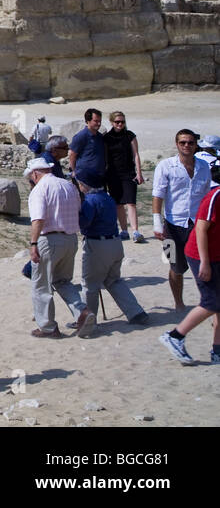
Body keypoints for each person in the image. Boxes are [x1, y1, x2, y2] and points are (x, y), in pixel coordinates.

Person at [73, 170, 148, 336]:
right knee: (113, 280)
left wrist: (78, 211)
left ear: (85, 185)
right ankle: (136, 312)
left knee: (90, 284)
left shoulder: (90, 201)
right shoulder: (107, 197)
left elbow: (84, 223)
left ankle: (87, 320)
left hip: (98, 244)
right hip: (115, 242)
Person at [160, 163, 220, 364]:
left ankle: (217, 350)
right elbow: (202, 229)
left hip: (214, 253)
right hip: (188, 244)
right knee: (211, 301)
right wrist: (204, 262)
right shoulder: (214, 196)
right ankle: (175, 335)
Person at [152, 129, 213, 311]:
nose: (186, 146)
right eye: (182, 142)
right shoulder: (165, 166)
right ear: (176, 144)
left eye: (190, 142)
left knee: (202, 264)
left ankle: (207, 303)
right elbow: (157, 195)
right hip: (172, 224)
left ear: (196, 145)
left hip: (198, 224)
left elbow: (206, 195)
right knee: (175, 266)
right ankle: (179, 303)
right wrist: (156, 222)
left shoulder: (203, 166)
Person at [26, 156, 83, 337]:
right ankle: (82, 312)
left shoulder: (39, 189)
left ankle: (48, 327)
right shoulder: (68, 185)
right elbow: (78, 209)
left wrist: (33, 243)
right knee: (63, 281)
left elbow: (38, 219)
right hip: (70, 238)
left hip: (49, 241)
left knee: (42, 286)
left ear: (35, 174)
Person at [104, 111, 146, 242]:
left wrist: (139, 173)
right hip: (113, 174)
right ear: (111, 122)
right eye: (117, 122)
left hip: (129, 173)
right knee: (118, 204)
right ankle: (123, 231)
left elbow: (136, 155)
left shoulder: (130, 135)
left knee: (131, 202)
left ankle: (136, 232)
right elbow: (104, 157)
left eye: (122, 122)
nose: (120, 124)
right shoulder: (107, 138)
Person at [69, 108, 107, 186]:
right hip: (84, 177)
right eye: (96, 121)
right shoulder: (81, 136)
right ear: (88, 121)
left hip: (99, 176)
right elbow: (72, 155)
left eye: (100, 121)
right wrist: (74, 171)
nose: (99, 124)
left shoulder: (100, 136)